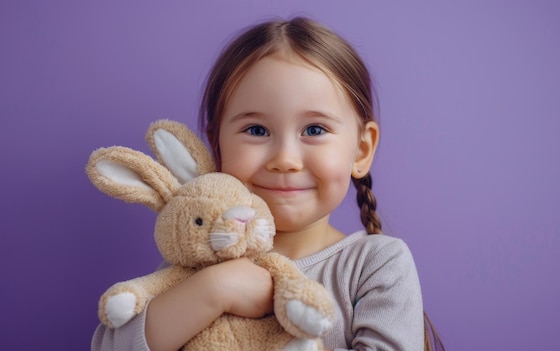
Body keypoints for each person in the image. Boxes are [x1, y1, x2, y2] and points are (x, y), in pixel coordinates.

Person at [92, 17, 443, 351]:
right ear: (216, 146)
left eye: (315, 130)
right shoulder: (201, 258)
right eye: (257, 131)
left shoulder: (376, 264)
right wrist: (216, 289)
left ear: (361, 150)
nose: (285, 159)